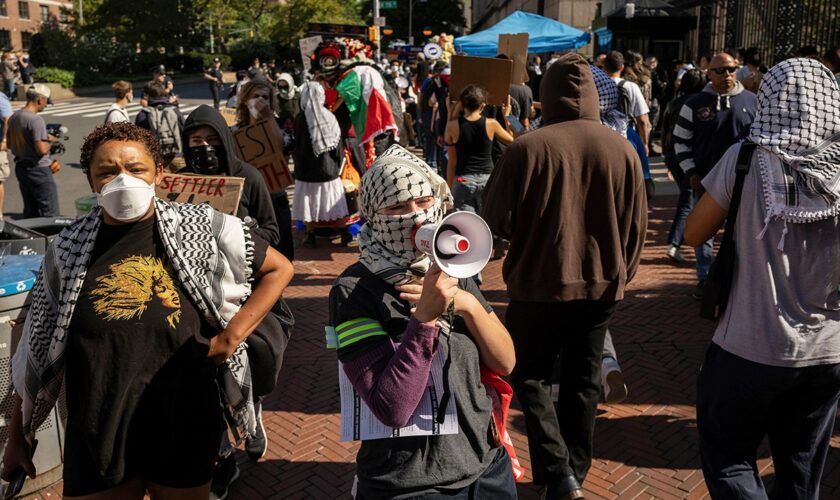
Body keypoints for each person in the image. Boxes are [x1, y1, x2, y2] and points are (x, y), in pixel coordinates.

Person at [0, 122, 294, 499]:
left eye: (135, 168)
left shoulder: (202, 227)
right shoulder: (67, 250)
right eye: (107, 171)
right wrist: (18, 437)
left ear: (158, 172)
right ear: (92, 182)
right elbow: (36, 345)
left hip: (183, 418)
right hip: (97, 426)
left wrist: (231, 336)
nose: (123, 179)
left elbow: (279, 268)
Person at [482, 53, 647, 500]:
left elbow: (495, 219)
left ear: (546, 94)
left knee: (527, 373)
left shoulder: (526, 147)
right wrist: (620, 274)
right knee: (583, 379)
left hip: (537, 283)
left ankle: (560, 471)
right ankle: (572, 469)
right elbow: (637, 224)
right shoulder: (623, 149)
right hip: (601, 285)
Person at [686, 57, 840, 500]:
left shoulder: (746, 159)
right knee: (800, 470)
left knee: (728, 456)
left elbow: (695, 232)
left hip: (748, 344)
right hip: (826, 350)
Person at [328, 143, 517, 499]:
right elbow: (392, 408)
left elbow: (506, 361)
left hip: (485, 466)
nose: (415, 217)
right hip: (411, 484)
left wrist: (467, 305)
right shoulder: (353, 292)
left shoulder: (453, 268)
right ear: (373, 213)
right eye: (397, 206)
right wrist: (425, 319)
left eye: (423, 202)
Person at [673, 52, 757, 299]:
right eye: (720, 70)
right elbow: (680, 141)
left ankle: (736, 279)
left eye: (731, 69)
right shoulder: (695, 103)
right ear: (709, 73)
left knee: (740, 231)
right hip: (707, 181)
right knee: (706, 231)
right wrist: (691, 172)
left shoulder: (753, 102)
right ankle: (705, 277)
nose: (727, 74)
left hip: (744, 182)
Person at [235, 80, 296, 261]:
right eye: (256, 97)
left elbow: (281, 146)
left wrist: (267, 118)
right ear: (246, 100)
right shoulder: (236, 130)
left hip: (276, 197)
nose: (261, 101)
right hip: (250, 200)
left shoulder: (281, 123)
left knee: (284, 252)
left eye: (265, 97)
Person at [292, 81, 352, 247]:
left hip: (306, 171)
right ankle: (344, 232)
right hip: (328, 169)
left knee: (308, 203)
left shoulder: (300, 118)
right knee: (334, 201)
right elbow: (338, 145)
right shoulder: (329, 116)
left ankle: (310, 234)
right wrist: (337, 165)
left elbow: (298, 145)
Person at [660, 69, 706, 263]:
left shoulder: (673, 103)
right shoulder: (699, 104)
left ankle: (681, 239)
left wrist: (666, 156)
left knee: (688, 198)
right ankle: (675, 242)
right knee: (688, 199)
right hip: (688, 156)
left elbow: (664, 131)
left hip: (672, 154)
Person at [444, 85, 513, 211]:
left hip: (463, 180)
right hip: (487, 179)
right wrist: (507, 116)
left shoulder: (452, 126)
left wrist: (448, 190)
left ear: (462, 104)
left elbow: (452, 162)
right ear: (482, 106)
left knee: (465, 226)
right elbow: (514, 139)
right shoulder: (491, 123)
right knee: (485, 223)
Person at [8, 84, 60, 217]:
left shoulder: (15, 116)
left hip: (21, 166)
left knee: (30, 210)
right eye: (47, 101)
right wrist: (50, 141)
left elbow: (9, 143)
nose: (46, 104)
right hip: (38, 170)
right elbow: (41, 150)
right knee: (50, 211)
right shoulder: (36, 120)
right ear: (40, 99)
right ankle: (52, 236)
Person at [603, 50, 651, 155]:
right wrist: (645, 143)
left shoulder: (596, 86)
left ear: (604, 67)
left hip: (602, 139)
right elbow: (642, 120)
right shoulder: (631, 87)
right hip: (626, 139)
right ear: (622, 67)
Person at [135, 82, 186, 172]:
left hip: (156, 160)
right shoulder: (175, 111)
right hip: (177, 157)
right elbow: (185, 132)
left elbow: (138, 140)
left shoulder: (143, 114)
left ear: (147, 96)